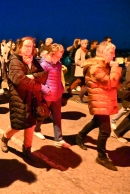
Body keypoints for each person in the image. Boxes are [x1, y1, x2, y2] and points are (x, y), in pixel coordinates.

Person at [75, 41, 122, 171]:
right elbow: (110, 82)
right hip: (99, 101)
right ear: (101, 53)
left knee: (96, 122)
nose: (113, 55)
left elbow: (115, 84)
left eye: (114, 52)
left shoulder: (104, 65)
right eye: (111, 52)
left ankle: (79, 136)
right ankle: (101, 156)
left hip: (104, 100)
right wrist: (115, 68)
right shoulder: (96, 67)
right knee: (106, 130)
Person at [0, 36, 47, 159]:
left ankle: (27, 148)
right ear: (20, 47)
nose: (28, 49)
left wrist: (31, 70)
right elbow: (19, 80)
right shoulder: (15, 60)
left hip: (33, 98)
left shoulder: (33, 60)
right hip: (20, 98)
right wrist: (37, 85)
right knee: (18, 125)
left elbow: (44, 75)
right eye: (26, 46)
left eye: (30, 47)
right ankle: (5, 137)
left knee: (31, 124)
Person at [34, 44, 71, 148]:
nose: (60, 59)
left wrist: (61, 88)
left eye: (61, 56)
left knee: (57, 117)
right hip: (47, 95)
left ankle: (59, 139)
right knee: (42, 114)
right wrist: (47, 90)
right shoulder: (43, 65)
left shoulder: (58, 64)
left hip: (57, 95)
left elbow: (58, 79)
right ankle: (36, 129)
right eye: (58, 56)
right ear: (51, 54)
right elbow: (37, 82)